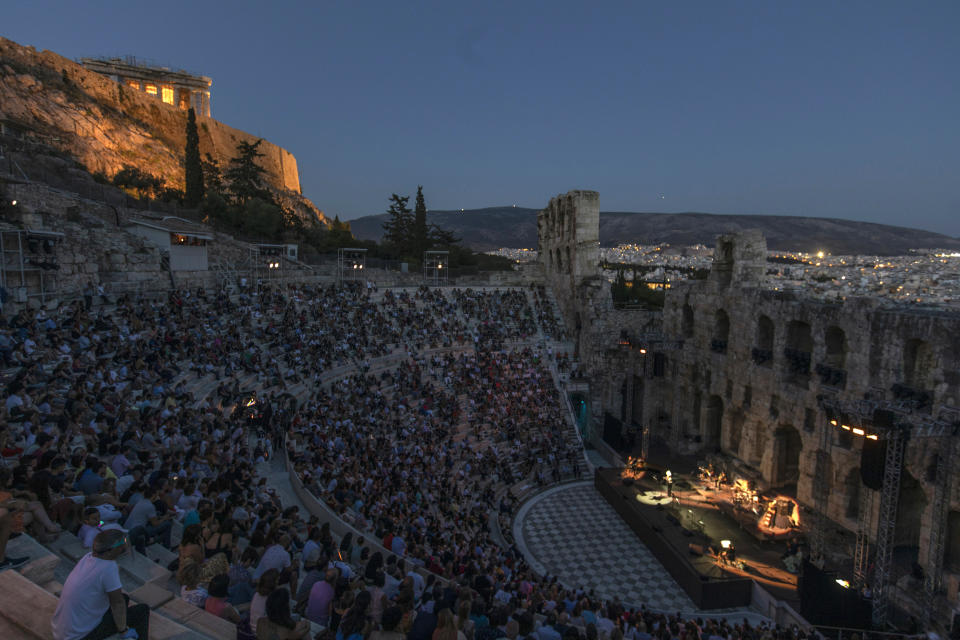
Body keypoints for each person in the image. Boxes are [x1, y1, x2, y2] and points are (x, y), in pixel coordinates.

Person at [51, 529, 149, 640]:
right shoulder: (108, 567)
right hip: (79, 637)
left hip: (61, 632)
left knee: (124, 598)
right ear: (110, 551)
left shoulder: (88, 557)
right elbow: (117, 603)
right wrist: (123, 631)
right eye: (122, 544)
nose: (124, 547)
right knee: (142, 610)